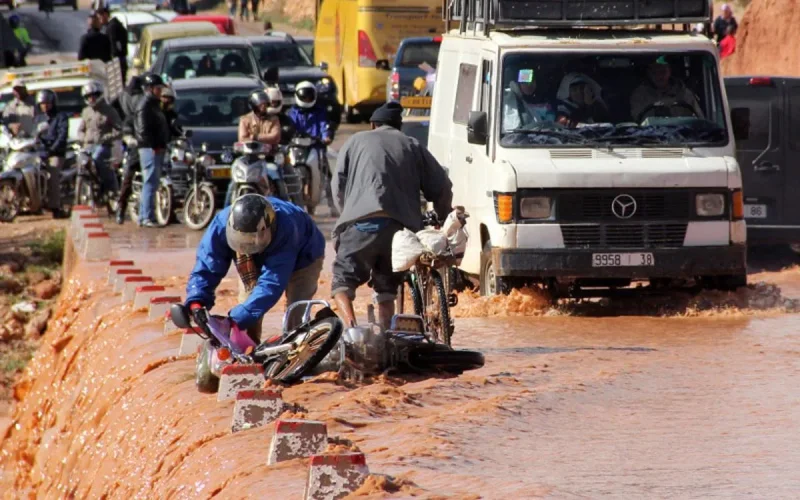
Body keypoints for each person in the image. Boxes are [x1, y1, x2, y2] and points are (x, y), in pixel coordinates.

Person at [331, 101, 453, 330]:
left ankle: (352, 330)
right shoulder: (412, 145)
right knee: (387, 288)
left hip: (360, 225)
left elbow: (338, 187)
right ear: (398, 127)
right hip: (400, 230)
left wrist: (347, 215)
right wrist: (445, 216)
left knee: (341, 283)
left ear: (373, 125)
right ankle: (387, 335)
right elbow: (442, 186)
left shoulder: (354, 141)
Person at [185, 194, 325, 344]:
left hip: (305, 254)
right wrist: (196, 301)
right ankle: (249, 349)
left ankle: (298, 349)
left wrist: (234, 321)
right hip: (252, 256)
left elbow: (271, 284)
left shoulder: (286, 227)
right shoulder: (221, 224)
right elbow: (207, 265)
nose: (249, 245)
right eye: (244, 240)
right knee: (248, 304)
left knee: (296, 311)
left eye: (253, 240)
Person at [287, 81, 337, 216]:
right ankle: (287, 204)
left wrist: (326, 136)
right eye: (305, 97)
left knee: (328, 176)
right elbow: (288, 127)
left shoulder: (320, 111)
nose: (307, 99)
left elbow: (324, 125)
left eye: (310, 97)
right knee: (286, 173)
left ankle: (334, 206)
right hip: (296, 147)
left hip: (316, 147)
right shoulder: (292, 112)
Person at [226, 88, 282, 205]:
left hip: (267, 159)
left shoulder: (273, 119)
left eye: (265, 104)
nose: (264, 107)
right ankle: (226, 212)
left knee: (275, 175)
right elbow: (242, 138)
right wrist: (262, 138)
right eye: (261, 104)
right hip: (248, 160)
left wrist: (255, 137)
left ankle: (284, 205)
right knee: (233, 185)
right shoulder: (245, 120)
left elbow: (275, 136)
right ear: (254, 105)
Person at [134, 73, 170, 227]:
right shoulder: (145, 105)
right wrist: (154, 145)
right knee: (149, 182)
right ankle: (147, 217)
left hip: (156, 147)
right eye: (158, 88)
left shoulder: (154, 103)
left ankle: (145, 216)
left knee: (152, 183)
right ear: (149, 88)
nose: (160, 91)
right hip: (150, 148)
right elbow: (143, 130)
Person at [77, 82, 122, 199]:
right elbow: (81, 130)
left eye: (93, 95)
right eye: (88, 96)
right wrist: (81, 138)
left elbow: (119, 130)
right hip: (88, 146)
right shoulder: (86, 112)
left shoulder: (109, 110)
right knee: (80, 160)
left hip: (104, 146)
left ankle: (109, 187)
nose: (91, 98)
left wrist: (106, 137)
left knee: (98, 158)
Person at [630, 56, 704, 122]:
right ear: (648, 73)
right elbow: (637, 121)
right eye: (654, 72)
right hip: (648, 135)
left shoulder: (685, 94)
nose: (659, 76)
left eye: (663, 72)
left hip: (682, 135)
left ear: (669, 71)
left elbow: (699, 121)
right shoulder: (640, 95)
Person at [33, 90, 70, 218]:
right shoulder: (38, 118)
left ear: (53, 103)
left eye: (47, 103)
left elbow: (62, 136)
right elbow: (32, 135)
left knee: (52, 173)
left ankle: (55, 207)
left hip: (55, 153)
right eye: (42, 103)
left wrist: (52, 150)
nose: (45, 106)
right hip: (39, 154)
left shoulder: (61, 117)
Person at [116, 76, 145, 224]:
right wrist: (131, 139)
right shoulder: (131, 117)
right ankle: (121, 207)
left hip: (154, 150)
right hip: (136, 151)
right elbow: (126, 130)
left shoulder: (151, 110)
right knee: (128, 176)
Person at [502, 68, 558, 132]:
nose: (529, 85)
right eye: (525, 82)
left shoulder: (545, 104)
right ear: (517, 83)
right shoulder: (510, 98)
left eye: (532, 81)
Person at [95, 7, 129, 83]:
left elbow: (114, 46)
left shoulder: (112, 27)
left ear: (105, 15)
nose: (99, 21)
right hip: (120, 60)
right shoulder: (115, 24)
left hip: (117, 62)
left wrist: (113, 61)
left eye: (100, 18)